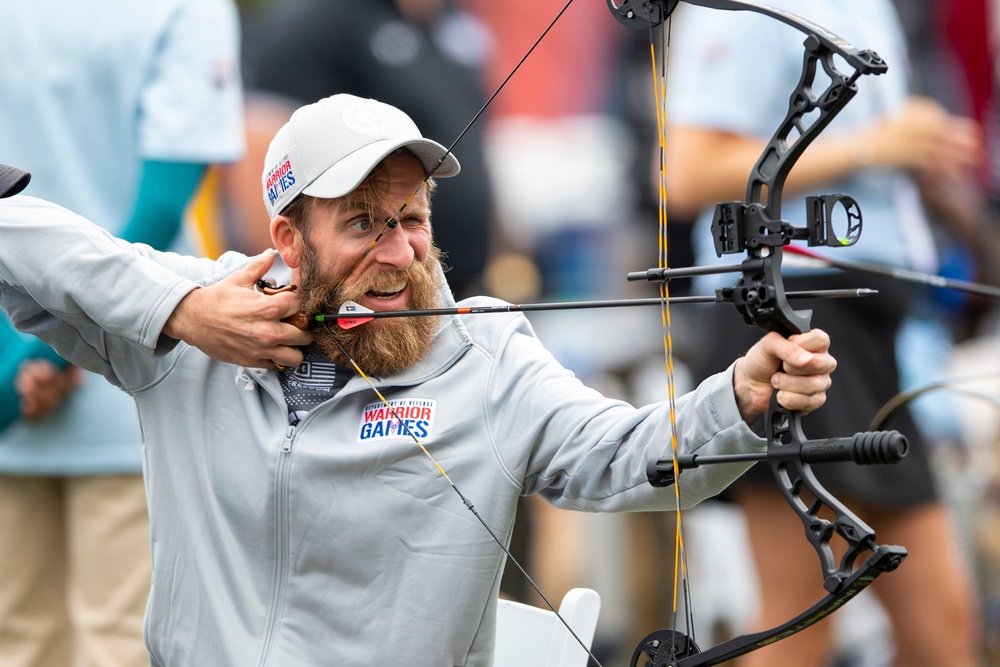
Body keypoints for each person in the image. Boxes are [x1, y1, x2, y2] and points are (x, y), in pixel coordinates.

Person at [0, 93, 835, 665]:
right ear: (288, 240)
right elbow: (23, 244)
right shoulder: (203, 322)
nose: (397, 254)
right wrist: (181, 309)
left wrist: (743, 398)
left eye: (411, 219)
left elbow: (622, 454)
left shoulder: (486, 352)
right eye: (361, 222)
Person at [663, 2, 981, 665]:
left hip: (866, 323)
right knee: (801, 613)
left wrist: (913, 152)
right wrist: (875, 145)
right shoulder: (749, 9)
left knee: (942, 623)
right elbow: (688, 171)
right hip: (793, 315)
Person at [0, 2, 243, 665]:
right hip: (134, 382)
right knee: (122, 644)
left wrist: (11, 356)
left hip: (38, 377)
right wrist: (45, 344)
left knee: (18, 643)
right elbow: (162, 201)